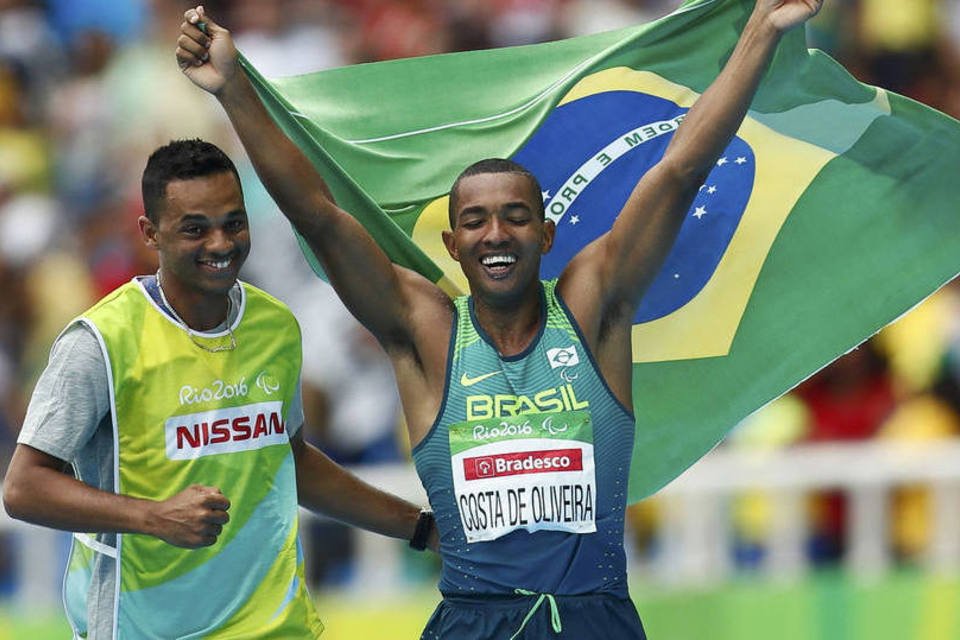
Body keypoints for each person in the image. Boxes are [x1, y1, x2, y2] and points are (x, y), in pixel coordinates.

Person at [175, 1, 822, 637]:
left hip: (595, 620)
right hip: (472, 624)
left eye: (515, 216)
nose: (495, 233)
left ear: (546, 233)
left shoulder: (594, 310)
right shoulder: (426, 332)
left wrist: (762, 26)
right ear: (453, 247)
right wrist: (233, 89)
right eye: (475, 220)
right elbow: (317, 215)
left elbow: (680, 170)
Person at [2, 138, 436, 639]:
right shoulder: (100, 342)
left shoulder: (274, 326)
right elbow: (23, 487)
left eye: (233, 222)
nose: (220, 243)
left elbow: (288, 460)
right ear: (150, 232)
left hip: (279, 627)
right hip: (143, 629)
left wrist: (420, 528)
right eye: (195, 229)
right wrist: (154, 517)